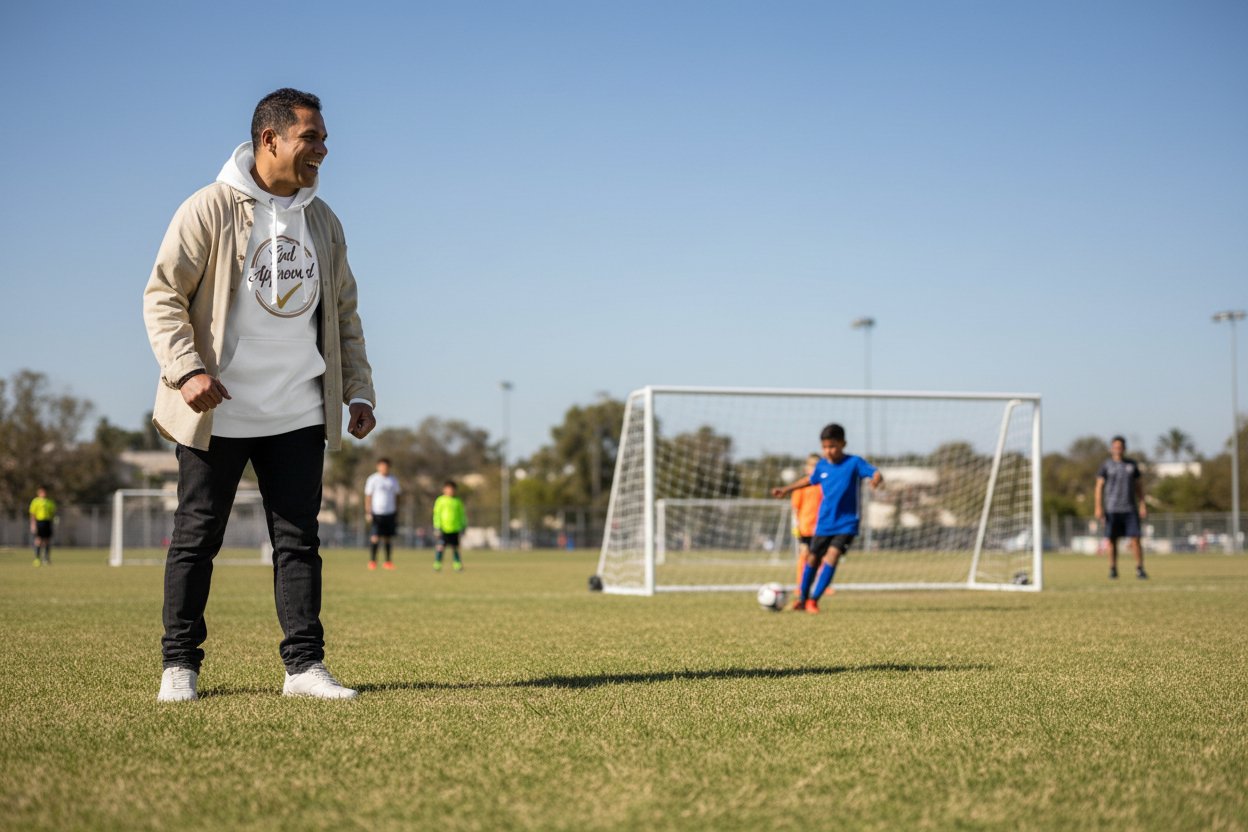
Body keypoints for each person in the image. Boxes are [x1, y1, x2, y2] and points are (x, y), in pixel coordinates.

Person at [143, 88, 376, 702]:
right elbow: (163, 295)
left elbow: (343, 314)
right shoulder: (210, 208)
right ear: (270, 140)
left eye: (323, 138)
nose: (323, 149)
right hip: (216, 410)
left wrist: (358, 389)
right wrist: (186, 370)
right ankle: (180, 666)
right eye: (311, 138)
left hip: (298, 407)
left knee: (299, 540)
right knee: (197, 536)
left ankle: (303, 668)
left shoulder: (323, 220)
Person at [772, 424, 882, 613]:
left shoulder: (854, 463)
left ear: (843, 444)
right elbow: (809, 479)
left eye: (833, 446)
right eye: (825, 447)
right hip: (824, 522)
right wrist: (786, 489)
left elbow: (875, 472)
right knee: (812, 559)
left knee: (832, 556)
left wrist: (877, 479)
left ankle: (814, 600)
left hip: (847, 522)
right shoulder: (822, 464)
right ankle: (802, 599)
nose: (828, 451)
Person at [1095, 435, 1148, 580]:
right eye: (1115, 447)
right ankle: (1113, 569)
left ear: (1124, 448)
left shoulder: (1131, 465)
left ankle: (1140, 568)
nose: (1118, 449)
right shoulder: (1106, 465)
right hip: (1112, 509)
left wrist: (1143, 504)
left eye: (1120, 447)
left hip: (1130, 508)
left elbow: (1139, 486)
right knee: (1112, 540)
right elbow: (1099, 486)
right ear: (1111, 449)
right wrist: (1098, 507)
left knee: (1135, 539)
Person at [787, 454, 822, 609]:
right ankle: (801, 586)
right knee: (805, 556)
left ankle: (821, 586)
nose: (814, 469)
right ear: (806, 468)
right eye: (811, 466)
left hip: (821, 527)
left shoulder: (823, 485)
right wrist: (796, 529)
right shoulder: (801, 486)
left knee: (821, 557)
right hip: (805, 528)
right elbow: (795, 508)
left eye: (817, 466)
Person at [364, 458, 401, 570]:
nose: (384, 468)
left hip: (390, 513)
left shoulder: (393, 480)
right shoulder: (373, 479)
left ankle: (388, 562)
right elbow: (368, 496)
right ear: (378, 466)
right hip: (376, 513)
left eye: (386, 466)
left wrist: (396, 510)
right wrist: (368, 512)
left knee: (388, 538)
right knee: (375, 537)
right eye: (382, 466)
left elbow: (397, 495)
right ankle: (372, 561)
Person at [432, 480, 466, 572]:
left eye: (452, 489)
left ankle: (457, 565)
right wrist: (437, 526)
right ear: (444, 490)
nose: (450, 491)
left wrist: (463, 525)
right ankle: (437, 564)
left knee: (455, 547)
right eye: (448, 489)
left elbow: (462, 514)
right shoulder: (440, 500)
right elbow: (437, 514)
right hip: (443, 528)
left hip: (455, 528)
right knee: (440, 546)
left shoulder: (457, 501)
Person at [29, 486, 57, 567]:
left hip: (47, 522)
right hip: (39, 522)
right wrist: (33, 524)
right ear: (39, 493)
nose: (43, 494)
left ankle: (46, 558)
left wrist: (53, 521)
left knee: (47, 540)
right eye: (42, 492)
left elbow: (53, 513)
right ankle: (37, 558)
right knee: (38, 540)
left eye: (44, 492)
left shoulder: (50, 502)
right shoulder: (35, 501)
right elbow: (32, 514)